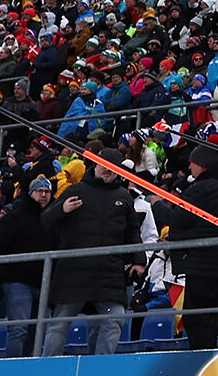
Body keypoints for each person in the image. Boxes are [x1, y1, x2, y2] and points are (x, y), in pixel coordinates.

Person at [41, 148, 146, 356]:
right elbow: (45, 220)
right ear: (95, 165)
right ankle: (48, 366)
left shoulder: (124, 197)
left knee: (114, 320)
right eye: (103, 166)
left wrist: (138, 260)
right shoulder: (75, 190)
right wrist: (63, 210)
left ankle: (101, 367)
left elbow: (133, 233)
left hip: (109, 271)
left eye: (112, 168)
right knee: (60, 323)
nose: (107, 171)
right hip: (74, 270)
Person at [170, 145, 218, 350]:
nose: (189, 165)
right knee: (209, 315)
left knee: (196, 317)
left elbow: (179, 219)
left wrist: (158, 206)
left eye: (193, 162)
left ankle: (200, 361)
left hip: (203, 261)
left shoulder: (203, 188)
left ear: (202, 165)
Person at [0, 175, 55, 357]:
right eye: (39, 191)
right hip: (17, 281)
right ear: (31, 194)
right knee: (19, 329)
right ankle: (14, 367)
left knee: (38, 331)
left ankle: (31, 367)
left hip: (44, 283)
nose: (43, 195)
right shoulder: (15, 217)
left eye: (47, 191)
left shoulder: (55, 218)